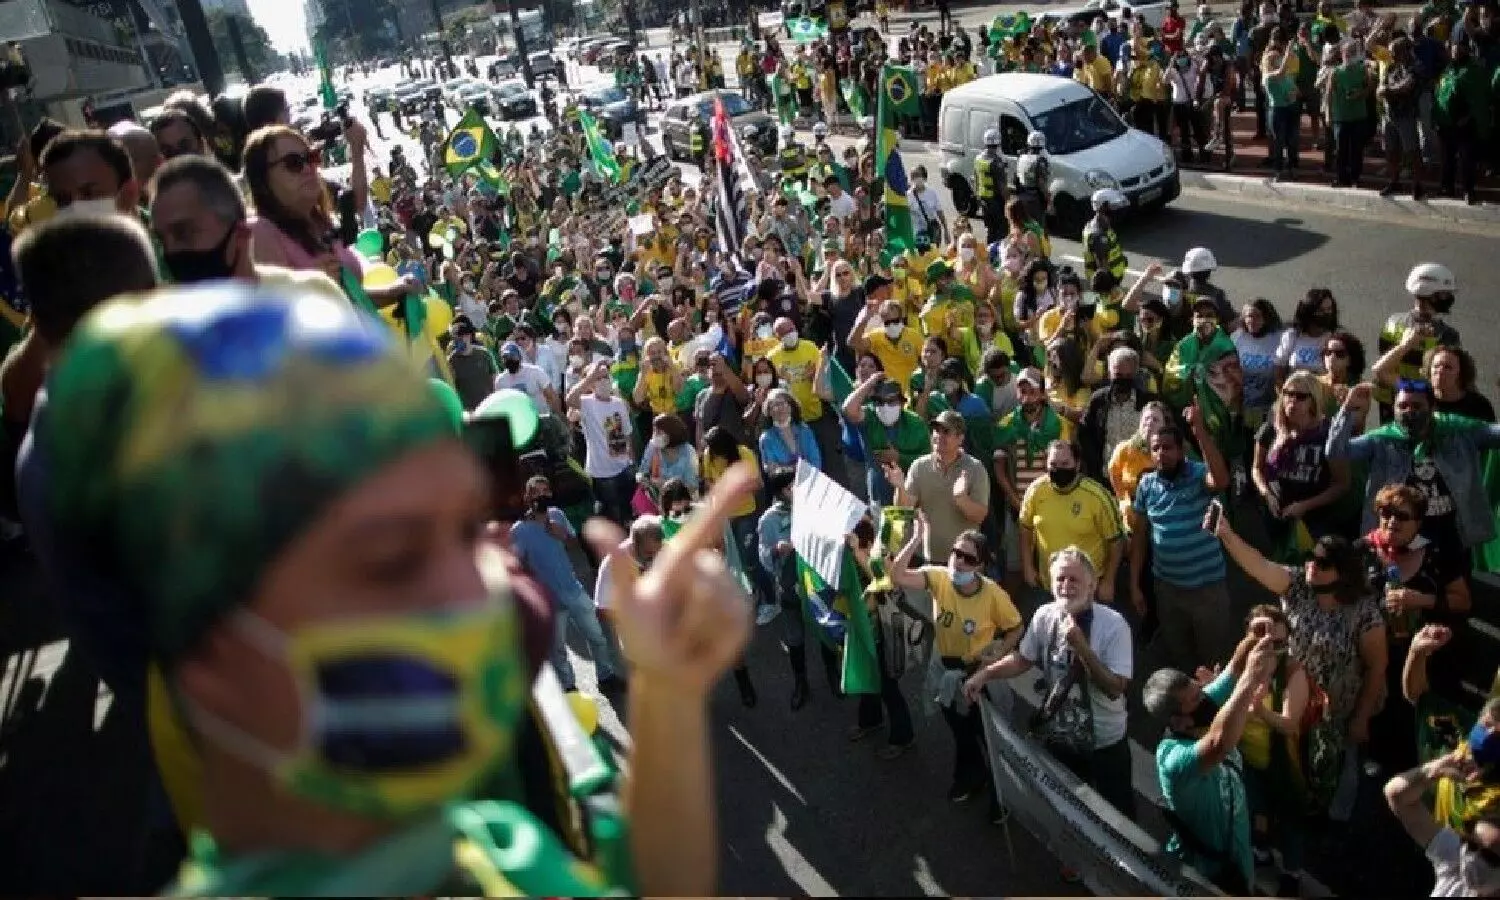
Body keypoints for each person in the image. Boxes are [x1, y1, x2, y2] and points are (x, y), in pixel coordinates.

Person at [35, 283, 756, 896]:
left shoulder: (492, 849)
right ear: (210, 642)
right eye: (389, 558)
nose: (486, 593)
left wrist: (665, 693)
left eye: (463, 531)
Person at [965, 548, 1136, 828]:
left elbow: (1115, 688)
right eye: (1060, 579)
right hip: (1061, 737)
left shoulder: (1114, 627)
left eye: (1074, 580)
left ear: (1092, 584)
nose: (1066, 587)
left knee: (1118, 816)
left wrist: (1082, 648)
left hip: (1105, 743)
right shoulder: (1045, 615)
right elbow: (1022, 659)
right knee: (1069, 805)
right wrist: (985, 675)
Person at [890, 524, 1021, 821]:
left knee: (989, 737)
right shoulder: (939, 578)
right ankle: (971, 777)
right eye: (955, 553)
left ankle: (1003, 797)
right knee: (960, 731)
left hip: (978, 677)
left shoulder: (993, 595)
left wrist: (998, 653)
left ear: (981, 566)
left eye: (968, 559)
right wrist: (916, 538)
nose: (958, 562)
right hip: (947, 671)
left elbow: (1016, 627)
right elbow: (897, 575)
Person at [1141, 632, 1279, 896]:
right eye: (1196, 699)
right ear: (1179, 722)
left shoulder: (1198, 704)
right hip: (1205, 878)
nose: (1206, 697)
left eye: (1199, 689)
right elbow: (1219, 743)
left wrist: (1255, 636)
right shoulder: (1174, 760)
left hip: (1238, 858)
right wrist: (1249, 682)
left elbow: (1233, 669)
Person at [1331, 381, 1500, 553]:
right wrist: (1347, 409)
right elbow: (1335, 452)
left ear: (1432, 407)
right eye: (1402, 406)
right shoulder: (1382, 439)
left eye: (1416, 406)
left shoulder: (1457, 432)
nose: (1409, 411)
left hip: (1450, 533)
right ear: (1394, 409)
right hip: (1400, 535)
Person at [148, 155, 347, 301]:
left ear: (241, 233)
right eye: (161, 240)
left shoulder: (312, 296)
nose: (171, 252)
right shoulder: (167, 337)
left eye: (184, 232)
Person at [1128, 411, 1234, 672]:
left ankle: (1214, 711)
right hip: (1168, 591)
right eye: (1156, 449)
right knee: (1180, 656)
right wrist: (1134, 586)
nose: (1161, 454)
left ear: (1181, 450)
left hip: (1207, 590)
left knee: (1213, 663)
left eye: (1168, 448)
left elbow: (1221, 480)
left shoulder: (1198, 475)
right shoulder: (1146, 485)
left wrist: (1199, 431)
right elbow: (1140, 538)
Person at [511, 475, 626, 695]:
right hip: (548, 598)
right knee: (557, 649)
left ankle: (606, 676)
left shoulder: (557, 515)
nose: (542, 496)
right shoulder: (519, 530)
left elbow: (574, 542)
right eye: (537, 492)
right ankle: (568, 686)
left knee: (598, 637)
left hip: (573, 588)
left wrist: (561, 534)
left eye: (546, 491)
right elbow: (518, 565)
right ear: (528, 496)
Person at [1018, 440, 1124, 606]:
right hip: (1048, 585)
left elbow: (1116, 542)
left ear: (1077, 464)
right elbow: (1025, 527)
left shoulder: (1097, 496)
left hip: (1088, 589)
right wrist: (1027, 566)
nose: (1059, 469)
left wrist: (1109, 581)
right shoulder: (1035, 491)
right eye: (1053, 464)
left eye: (1065, 463)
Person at [1384, 746, 1500, 896]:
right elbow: (1397, 796)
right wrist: (1435, 771)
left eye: (1490, 856)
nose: (1473, 858)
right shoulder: (1456, 860)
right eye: (1471, 844)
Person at [886, 410, 991, 565]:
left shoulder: (975, 468)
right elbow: (903, 510)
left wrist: (961, 498)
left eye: (946, 431)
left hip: (965, 561)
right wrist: (900, 487)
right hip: (929, 559)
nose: (938, 436)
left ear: (960, 438)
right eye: (936, 430)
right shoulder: (919, 466)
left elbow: (979, 516)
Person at [565, 362, 635, 527]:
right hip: (602, 474)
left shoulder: (619, 403)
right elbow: (570, 399)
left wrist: (631, 462)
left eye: (606, 376)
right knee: (612, 517)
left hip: (624, 468)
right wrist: (590, 377)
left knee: (628, 514)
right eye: (599, 377)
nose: (603, 381)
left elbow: (627, 433)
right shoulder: (586, 403)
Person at [973, 129, 1007, 242]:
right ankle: (997, 254)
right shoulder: (996, 162)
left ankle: (989, 251)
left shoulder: (978, 159)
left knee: (989, 228)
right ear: (998, 143)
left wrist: (977, 196)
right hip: (995, 200)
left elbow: (976, 179)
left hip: (983, 198)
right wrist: (1008, 201)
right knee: (1001, 229)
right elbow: (1002, 186)